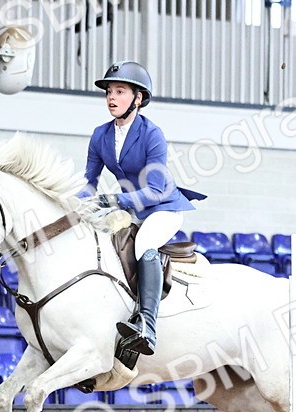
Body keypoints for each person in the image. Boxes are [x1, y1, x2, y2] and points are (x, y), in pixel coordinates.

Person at [79, 60, 206, 357]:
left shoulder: (152, 134)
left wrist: (115, 200)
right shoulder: (100, 135)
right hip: (132, 209)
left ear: (137, 99)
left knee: (144, 244)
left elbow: (155, 190)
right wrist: (72, 204)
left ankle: (147, 326)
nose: (111, 97)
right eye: (109, 91)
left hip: (163, 208)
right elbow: (89, 183)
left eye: (120, 91)